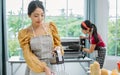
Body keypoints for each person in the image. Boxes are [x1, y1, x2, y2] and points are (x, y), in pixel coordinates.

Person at [18, 1, 64, 75]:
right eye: (36, 16)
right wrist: (44, 68)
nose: (40, 18)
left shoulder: (50, 27)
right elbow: (29, 56)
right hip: (35, 68)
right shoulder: (25, 33)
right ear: (29, 15)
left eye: (42, 15)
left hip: (52, 66)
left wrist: (57, 49)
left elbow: (58, 45)